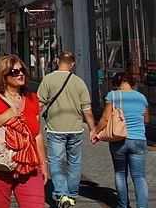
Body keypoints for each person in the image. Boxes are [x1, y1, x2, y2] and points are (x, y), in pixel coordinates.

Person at [0, 54, 48, 207]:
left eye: (22, 70)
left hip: (29, 163)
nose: (20, 74)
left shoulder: (32, 99)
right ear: (3, 76)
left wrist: (44, 163)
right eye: (14, 72)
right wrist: (6, 115)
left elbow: (37, 134)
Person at [37, 51, 96, 208]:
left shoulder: (48, 80)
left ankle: (62, 194)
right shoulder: (79, 82)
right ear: (73, 64)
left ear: (57, 61)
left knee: (55, 162)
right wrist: (92, 129)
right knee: (74, 162)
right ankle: (72, 195)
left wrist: (33, 126)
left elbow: (38, 105)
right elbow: (87, 110)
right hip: (76, 129)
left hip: (55, 129)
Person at [91, 72, 149, 208]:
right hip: (139, 140)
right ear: (130, 82)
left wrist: (95, 132)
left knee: (120, 173)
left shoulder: (113, 96)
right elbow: (146, 120)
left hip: (118, 139)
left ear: (116, 84)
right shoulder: (141, 97)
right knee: (139, 176)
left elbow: (105, 119)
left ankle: (123, 205)